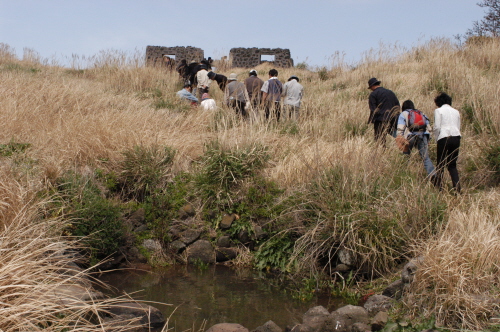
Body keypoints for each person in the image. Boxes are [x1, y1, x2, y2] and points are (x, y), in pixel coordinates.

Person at [396, 100, 435, 178]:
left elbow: (400, 128)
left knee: (406, 155)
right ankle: (434, 177)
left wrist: (400, 139)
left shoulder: (403, 114)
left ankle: (404, 176)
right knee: (426, 158)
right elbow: (429, 128)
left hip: (410, 137)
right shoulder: (421, 113)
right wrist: (429, 139)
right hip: (423, 136)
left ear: (403, 107)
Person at [433, 92, 461, 193]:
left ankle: (439, 188)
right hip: (456, 137)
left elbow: (436, 127)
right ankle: (457, 188)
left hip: (444, 137)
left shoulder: (438, 111)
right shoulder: (456, 111)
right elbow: (458, 126)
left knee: (440, 164)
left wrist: (437, 138)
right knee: (452, 165)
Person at [367, 78, 401, 145]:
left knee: (379, 139)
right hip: (393, 118)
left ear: (372, 86)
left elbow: (373, 109)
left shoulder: (373, 94)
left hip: (380, 119)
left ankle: (382, 153)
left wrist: (372, 120)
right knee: (396, 134)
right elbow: (397, 106)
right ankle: (405, 144)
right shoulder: (390, 92)